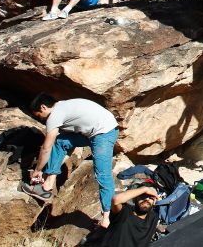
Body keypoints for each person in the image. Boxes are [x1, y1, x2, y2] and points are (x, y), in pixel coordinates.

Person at [23, 93, 120, 228]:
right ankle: (47, 185)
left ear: (43, 107)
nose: (40, 119)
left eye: (38, 115)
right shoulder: (63, 105)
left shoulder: (55, 115)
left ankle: (107, 218)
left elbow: (46, 148)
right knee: (61, 141)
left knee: (103, 175)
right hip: (93, 132)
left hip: (104, 133)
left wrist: (38, 170)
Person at [100, 182, 161, 247]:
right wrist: (145, 189)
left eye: (151, 197)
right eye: (143, 195)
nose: (147, 199)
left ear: (154, 201)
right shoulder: (124, 211)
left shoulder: (154, 218)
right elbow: (115, 200)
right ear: (135, 199)